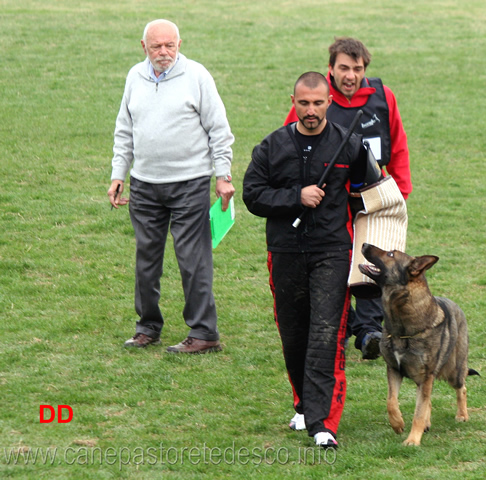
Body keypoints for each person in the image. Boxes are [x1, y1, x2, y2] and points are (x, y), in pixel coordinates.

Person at [243, 72, 368, 448]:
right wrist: (296, 197)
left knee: (326, 335)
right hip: (284, 252)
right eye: (304, 103)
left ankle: (323, 424)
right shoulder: (271, 146)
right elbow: (253, 195)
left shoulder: (352, 146)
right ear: (293, 102)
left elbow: (368, 198)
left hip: (332, 251)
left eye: (318, 103)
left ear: (329, 102)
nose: (311, 111)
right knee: (294, 336)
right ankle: (302, 403)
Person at [108, 19, 235, 354]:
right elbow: (125, 129)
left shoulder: (197, 77)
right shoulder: (134, 77)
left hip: (189, 184)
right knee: (146, 261)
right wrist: (118, 173)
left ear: (180, 43)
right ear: (143, 47)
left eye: (169, 45)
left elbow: (219, 129)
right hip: (144, 184)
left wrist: (223, 176)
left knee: (193, 261)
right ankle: (147, 327)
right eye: (156, 47)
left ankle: (205, 332)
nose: (163, 52)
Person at [285, 37, 412, 361]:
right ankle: (344, 327)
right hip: (330, 201)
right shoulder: (316, 100)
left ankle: (369, 330)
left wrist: (400, 193)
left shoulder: (384, 98)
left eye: (357, 69)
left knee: (373, 261)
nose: (350, 75)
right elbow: (290, 142)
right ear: (331, 69)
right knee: (335, 263)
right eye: (343, 68)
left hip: (373, 197)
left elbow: (397, 145)